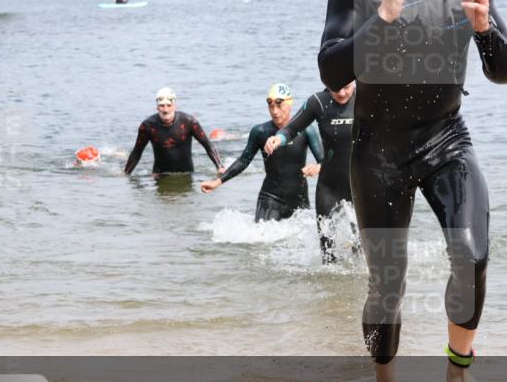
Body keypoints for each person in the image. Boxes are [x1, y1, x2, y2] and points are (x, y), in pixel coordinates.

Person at [318, 0, 507, 382]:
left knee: (472, 252)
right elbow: (332, 71)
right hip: (377, 149)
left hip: (445, 136)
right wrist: (383, 14)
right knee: (388, 281)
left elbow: (505, 71)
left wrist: (484, 31)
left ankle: (459, 372)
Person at [201, 84, 324, 222]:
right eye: (271, 106)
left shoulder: (307, 130)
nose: (275, 111)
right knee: (263, 241)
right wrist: (217, 182)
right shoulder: (260, 132)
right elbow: (243, 161)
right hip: (270, 198)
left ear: (290, 104)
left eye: (279, 105)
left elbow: (324, 161)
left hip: (299, 200)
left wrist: (318, 167)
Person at [264, 82, 356, 263]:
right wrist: (278, 138)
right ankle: (330, 289)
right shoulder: (318, 102)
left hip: (361, 187)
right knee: (328, 255)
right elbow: (291, 129)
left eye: (346, 87)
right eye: (336, 87)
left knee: (361, 250)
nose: (342, 92)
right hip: (329, 187)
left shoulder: (366, 99)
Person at [124, 87, 225, 176]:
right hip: (160, 175)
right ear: (157, 107)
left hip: (187, 174)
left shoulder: (189, 122)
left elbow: (208, 145)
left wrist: (220, 167)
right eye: (162, 105)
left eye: (169, 105)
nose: (165, 109)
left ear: (175, 106)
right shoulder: (147, 126)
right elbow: (137, 152)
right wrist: (126, 174)